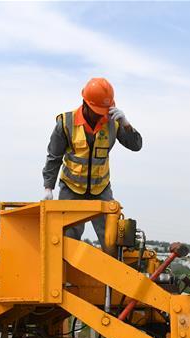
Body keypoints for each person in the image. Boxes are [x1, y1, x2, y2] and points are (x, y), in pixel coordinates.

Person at [42, 77, 142, 242]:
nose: (101, 116)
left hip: (101, 189)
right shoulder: (66, 123)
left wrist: (126, 124)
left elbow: (136, 145)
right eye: (98, 112)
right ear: (86, 104)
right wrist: (48, 187)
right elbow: (54, 157)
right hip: (71, 188)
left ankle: (112, 267)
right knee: (67, 239)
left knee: (111, 239)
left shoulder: (113, 122)